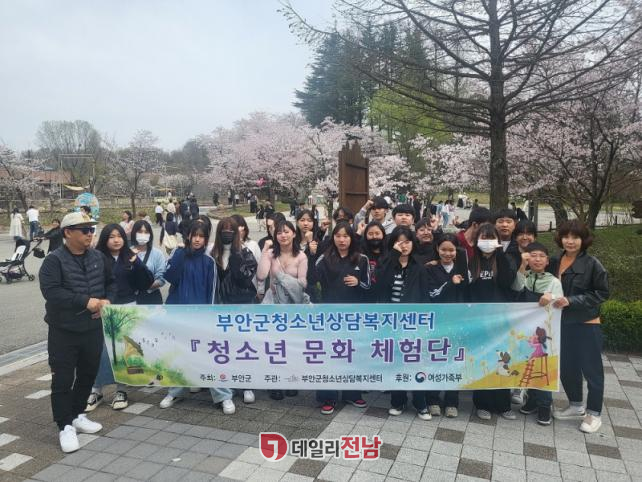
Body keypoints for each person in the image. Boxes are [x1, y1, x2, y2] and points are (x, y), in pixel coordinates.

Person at [38, 212, 115, 453]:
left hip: (92, 328)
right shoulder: (54, 261)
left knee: (87, 374)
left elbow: (111, 282)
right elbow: (51, 292)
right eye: (85, 230)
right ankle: (64, 426)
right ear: (68, 232)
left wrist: (106, 300)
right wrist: (85, 301)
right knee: (62, 379)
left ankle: (77, 414)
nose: (90, 234)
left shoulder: (98, 257)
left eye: (92, 229)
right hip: (64, 331)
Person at [160, 219, 236, 414]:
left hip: (201, 318)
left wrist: (207, 318)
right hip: (178, 315)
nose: (197, 240)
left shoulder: (209, 262)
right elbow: (170, 277)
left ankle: (224, 396)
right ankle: (174, 392)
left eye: (201, 236)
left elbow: (212, 292)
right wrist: (178, 253)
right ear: (188, 236)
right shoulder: (179, 255)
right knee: (178, 355)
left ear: (206, 239)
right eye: (194, 235)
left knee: (209, 356)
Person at [549, 220, 609, 433]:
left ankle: (594, 413)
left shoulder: (592, 264)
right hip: (560, 322)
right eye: (566, 236)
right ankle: (575, 405)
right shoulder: (555, 260)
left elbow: (602, 293)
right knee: (567, 365)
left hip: (586, 323)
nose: (570, 241)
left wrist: (572, 301)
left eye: (575, 237)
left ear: (584, 240)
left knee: (591, 369)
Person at [87, 224, 154, 413]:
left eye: (119, 236)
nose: (116, 240)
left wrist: (137, 263)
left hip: (127, 307)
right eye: (111, 237)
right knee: (101, 351)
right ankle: (96, 390)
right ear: (104, 239)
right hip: (104, 308)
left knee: (124, 350)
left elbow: (146, 283)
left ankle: (121, 390)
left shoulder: (130, 257)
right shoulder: (96, 257)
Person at [312, 222, 369, 414]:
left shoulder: (361, 259)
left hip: (353, 317)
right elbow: (312, 281)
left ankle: (352, 394)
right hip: (330, 317)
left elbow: (370, 286)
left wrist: (359, 282)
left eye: (346, 236)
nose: (342, 240)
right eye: (338, 236)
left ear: (352, 238)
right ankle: (327, 397)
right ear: (333, 238)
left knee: (352, 355)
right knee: (329, 356)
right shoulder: (324, 258)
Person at [376, 226, 431, 420]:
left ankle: (420, 403)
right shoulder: (386, 263)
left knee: (416, 362)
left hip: (413, 323)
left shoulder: (419, 266)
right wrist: (393, 256)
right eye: (399, 242)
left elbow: (425, 296)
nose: (404, 246)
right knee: (395, 363)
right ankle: (397, 401)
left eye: (407, 242)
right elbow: (379, 284)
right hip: (391, 322)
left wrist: (424, 322)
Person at [511, 242, 564, 426]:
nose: (537, 259)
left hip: (545, 334)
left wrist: (553, 297)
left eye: (541, 256)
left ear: (547, 261)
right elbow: (516, 288)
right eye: (533, 255)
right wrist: (522, 267)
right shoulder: (524, 277)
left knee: (544, 367)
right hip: (526, 331)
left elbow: (560, 303)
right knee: (529, 365)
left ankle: (544, 405)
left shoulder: (553, 281)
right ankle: (532, 400)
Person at [468, 223, 517, 421]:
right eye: (484, 237)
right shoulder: (471, 261)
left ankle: (503, 405)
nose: (487, 242)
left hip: (500, 319)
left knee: (502, 360)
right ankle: (482, 404)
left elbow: (507, 282)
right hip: (478, 320)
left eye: (491, 238)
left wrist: (501, 254)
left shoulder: (504, 260)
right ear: (477, 240)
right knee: (483, 361)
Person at [257, 220, 308, 400]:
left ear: (294, 234)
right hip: (273, 303)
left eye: (286, 232)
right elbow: (261, 275)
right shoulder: (271, 254)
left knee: (291, 344)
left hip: (292, 305)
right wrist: (265, 251)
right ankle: (275, 382)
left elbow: (303, 282)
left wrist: (282, 278)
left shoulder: (301, 256)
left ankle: (291, 380)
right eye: (279, 232)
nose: (283, 235)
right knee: (274, 345)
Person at [211, 217, 258, 405]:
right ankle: (226, 387)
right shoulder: (212, 254)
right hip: (220, 307)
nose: (227, 233)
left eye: (231, 230)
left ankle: (247, 385)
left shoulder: (245, 253)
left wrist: (236, 257)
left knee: (243, 347)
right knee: (224, 348)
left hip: (242, 307)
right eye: (224, 230)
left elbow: (245, 279)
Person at [425, 233, 467, 418]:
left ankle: (452, 401)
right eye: (443, 249)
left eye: (451, 250)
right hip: (437, 322)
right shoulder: (430, 269)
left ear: (457, 251)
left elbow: (468, 293)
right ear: (437, 249)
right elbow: (432, 294)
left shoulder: (463, 269)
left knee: (454, 362)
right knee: (434, 360)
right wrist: (450, 283)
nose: (447, 253)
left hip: (458, 322)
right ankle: (433, 400)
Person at [131, 220, 166, 305]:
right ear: (134, 233)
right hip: (130, 297)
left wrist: (146, 287)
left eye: (146, 232)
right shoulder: (127, 252)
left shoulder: (157, 254)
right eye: (140, 232)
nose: (143, 234)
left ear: (150, 235)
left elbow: (161, 278)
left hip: (151, 297)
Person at [360, 221, 387, 301]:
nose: (374, 236)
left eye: (377, 233)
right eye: (370, 234)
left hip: (385, 299)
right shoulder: (360, 255)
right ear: (365, 236)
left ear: (383, 234)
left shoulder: (389, 254)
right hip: (364, 299)